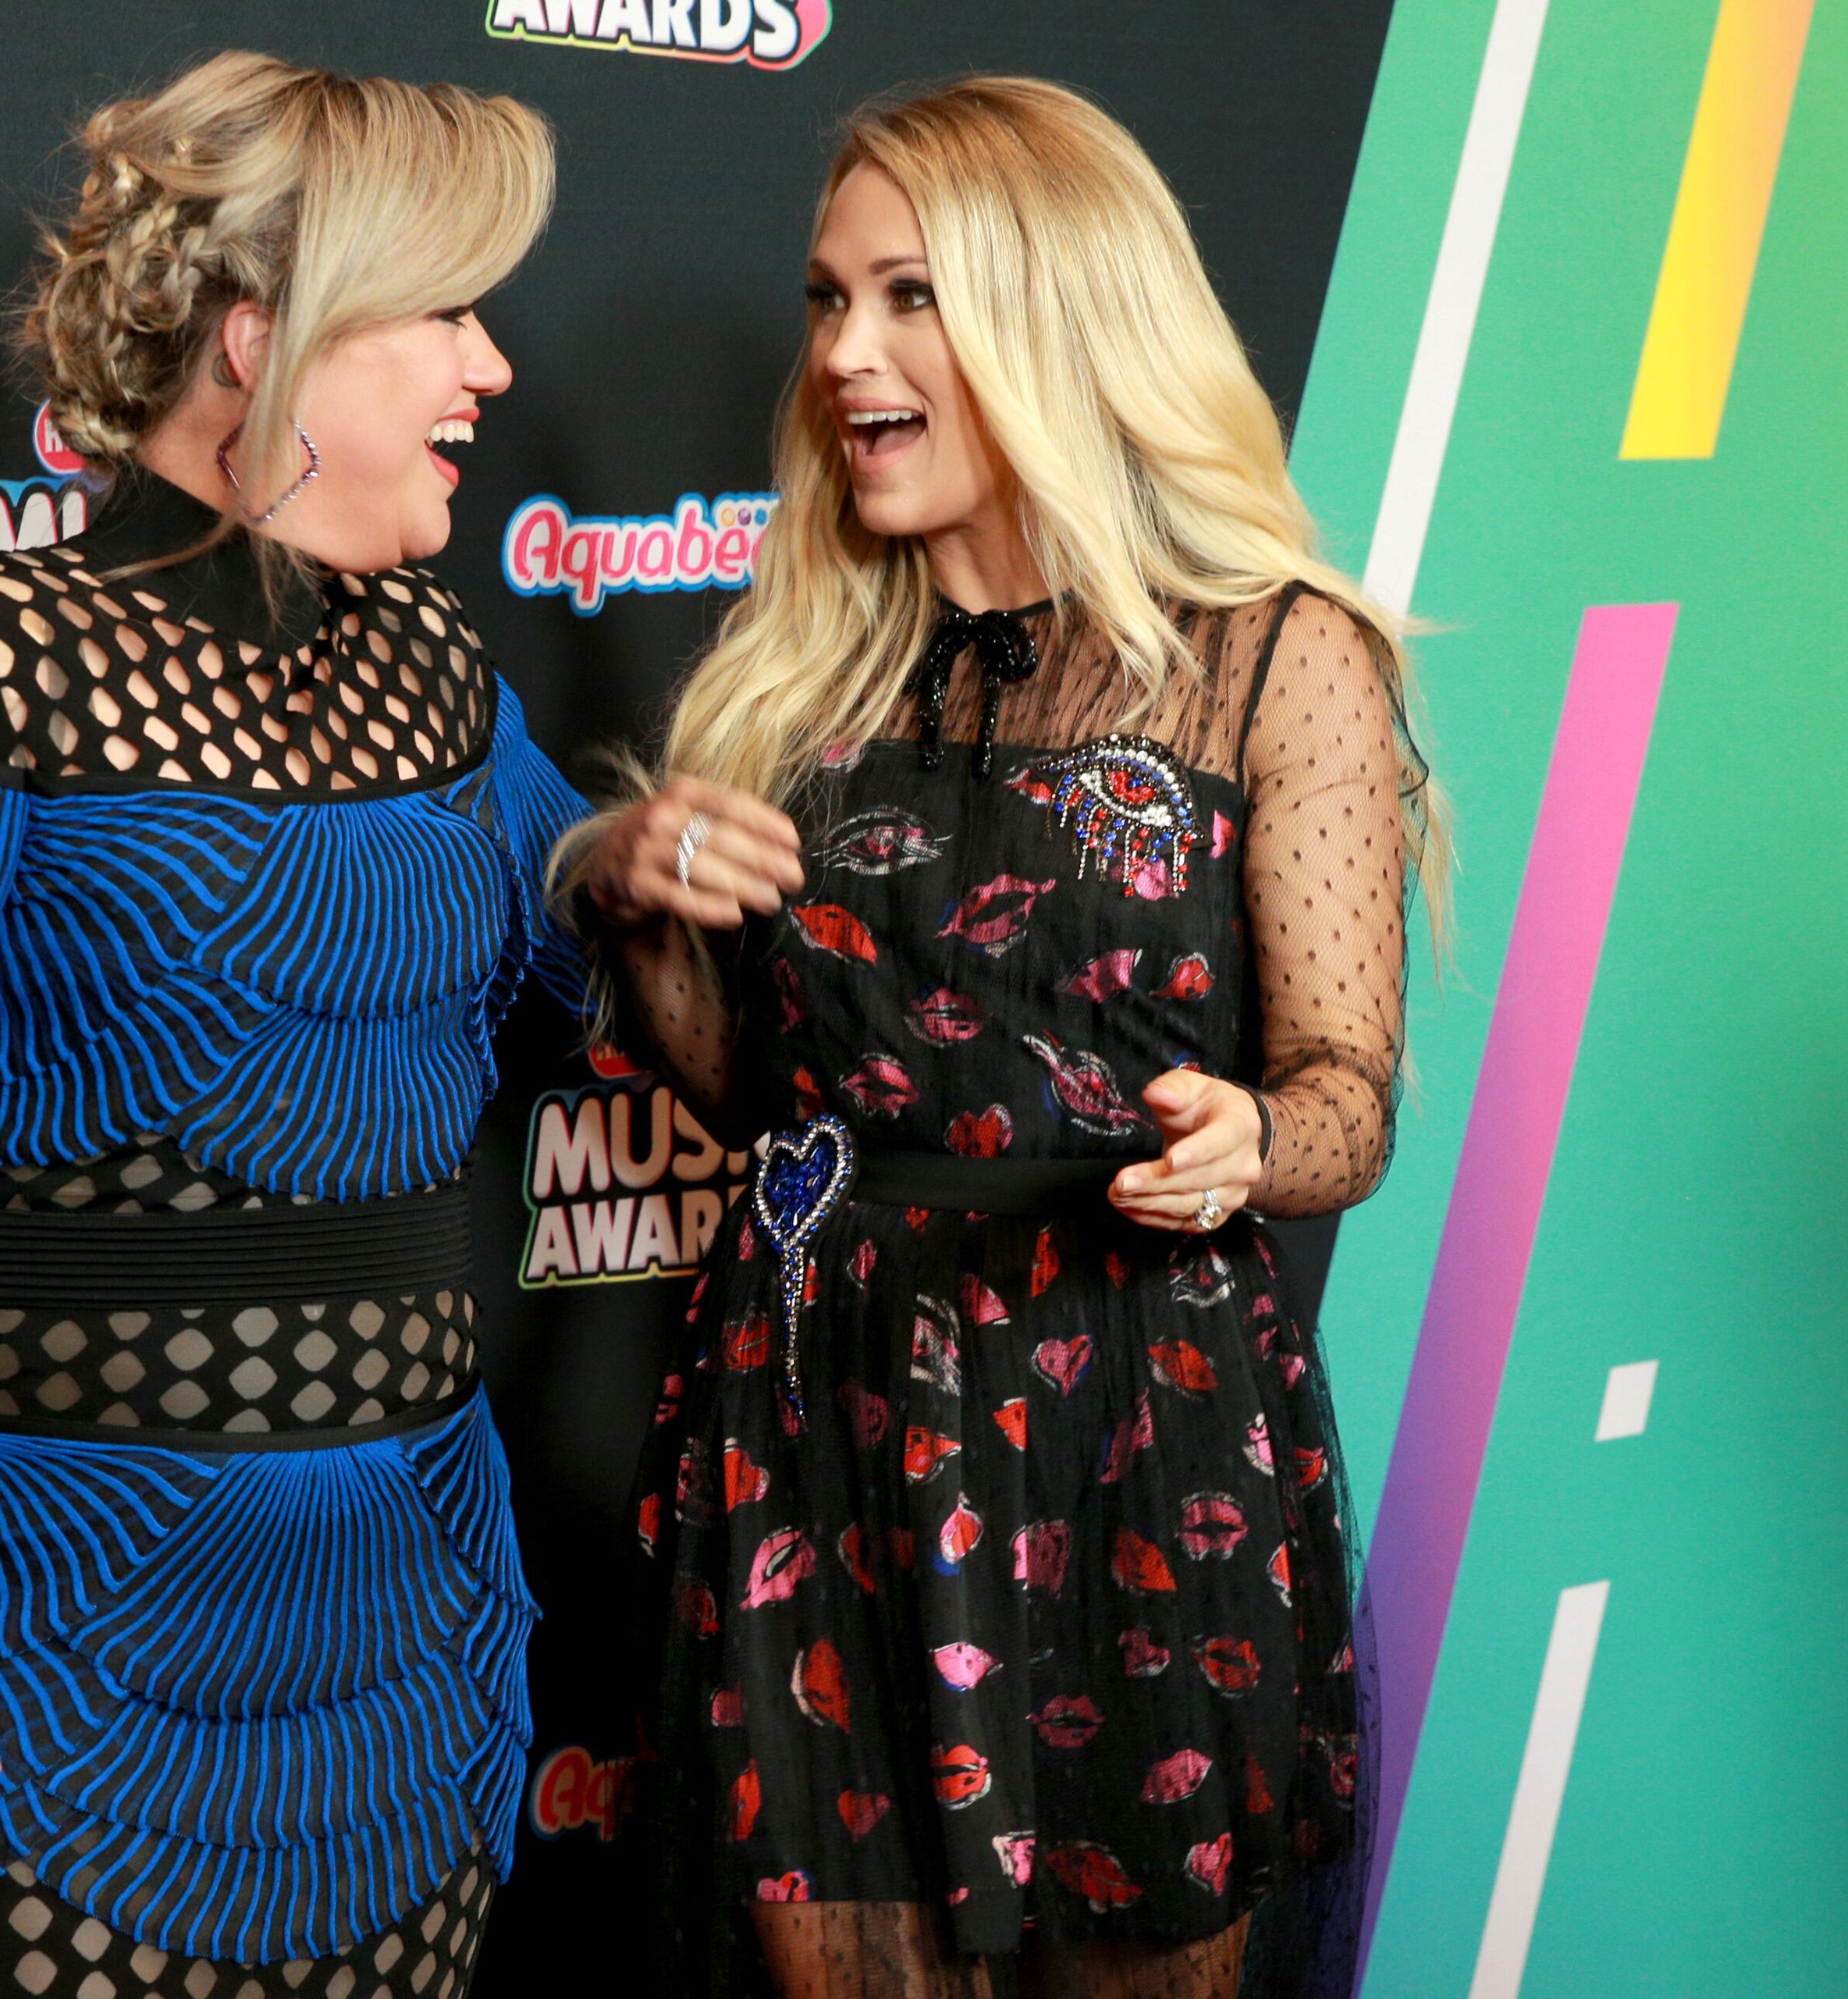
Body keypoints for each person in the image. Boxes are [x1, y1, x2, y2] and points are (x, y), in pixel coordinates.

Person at [0, 52, 586, 1999]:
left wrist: (652, 875)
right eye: (440, 313)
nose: (487, 367)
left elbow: (584, 1002)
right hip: (33, 1648)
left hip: (401, 1636)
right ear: (259, 339)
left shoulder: (440, 674)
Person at [568, 76, 1440, 1999]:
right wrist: (638, 896)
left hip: (1139, 1423)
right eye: (826, 300)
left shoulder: (1276, 654)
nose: (846, 353)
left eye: (909, 296)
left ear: (1055, 313)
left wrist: (1250, 1145)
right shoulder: (796, 669)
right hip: (817, 1413)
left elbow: (1349, 1097)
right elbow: (740, 1092)